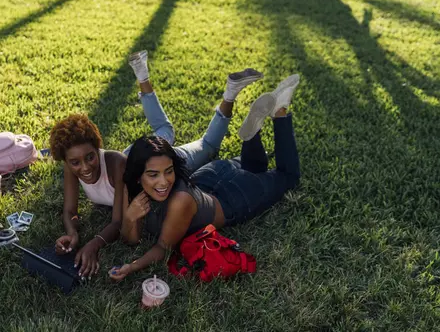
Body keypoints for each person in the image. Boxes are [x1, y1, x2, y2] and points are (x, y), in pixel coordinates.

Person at [49, 50, 263, 278]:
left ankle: (229, 94)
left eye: (90, 157)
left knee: (208, 146)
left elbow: (118, 221)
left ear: (97, 148)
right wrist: (72, 232)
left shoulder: (118, 166)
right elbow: (70, 210)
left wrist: (94, 244)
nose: (84, 168)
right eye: (75, 163)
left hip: (156, 167)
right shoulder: (72, 164)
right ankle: (142, 75)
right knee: (164, 131)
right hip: (138, 157)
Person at [109, 74, 301, 281]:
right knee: (256, 165)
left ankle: (280, 112)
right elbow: (131, 239)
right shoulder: (131, 184)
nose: (164, 181)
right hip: (209, 176)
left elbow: (163, 248)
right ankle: (251, 133)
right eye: (153, 175)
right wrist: (130, 217)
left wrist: (133, 267)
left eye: (169, 170)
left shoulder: (179, 202)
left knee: (288, 176)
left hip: (233, 197)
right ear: (138, 176)